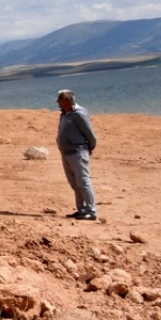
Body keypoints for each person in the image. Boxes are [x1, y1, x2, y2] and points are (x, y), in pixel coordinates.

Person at [56, 89, 98, 221]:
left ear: (67, 100)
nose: (57, 101)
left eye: (59, 99)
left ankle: (91, 211)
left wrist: (90, 147)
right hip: (66, 153)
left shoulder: (79, 114)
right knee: (74, 183)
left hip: (78, 152)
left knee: (83, 181)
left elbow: (89, 133)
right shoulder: (64, 114)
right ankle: (82, 209)